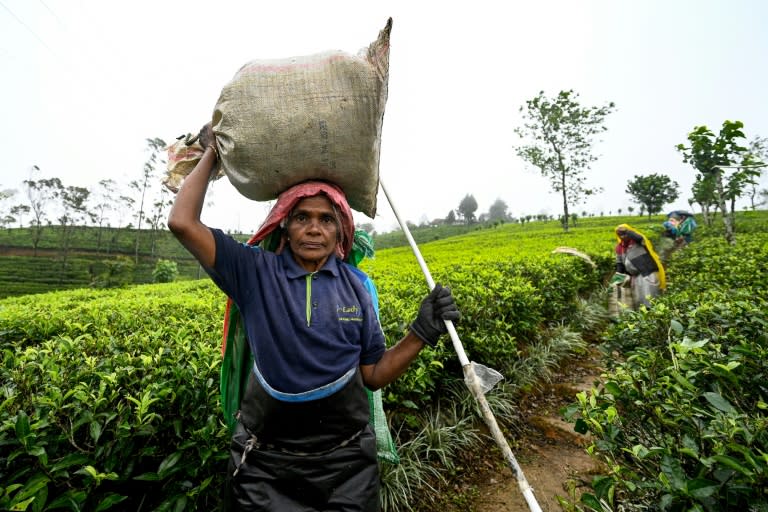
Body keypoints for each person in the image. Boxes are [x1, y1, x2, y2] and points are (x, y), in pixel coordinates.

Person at [167, 123, 460, 511]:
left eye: (325, 219)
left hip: (346, 466)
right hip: (264, 464)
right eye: (302, 217)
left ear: (341, 231)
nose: (314, 229)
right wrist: (212, 154)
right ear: (284, 227)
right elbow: (182, 223)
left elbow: (372, 375)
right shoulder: (254, 272)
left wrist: (421, 333)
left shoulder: (358, 287)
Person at [611, 224, 666, 310]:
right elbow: (619, 264)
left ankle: (656, 318)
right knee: (639, 302)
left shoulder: (638, 242)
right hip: (635, 276)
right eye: (620, 234)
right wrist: (617, 280)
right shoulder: (619, 248)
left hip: (648, 273)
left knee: (651, 299)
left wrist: (627, 231)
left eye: (624, 234)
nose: (622, 236)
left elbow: (639, 238)